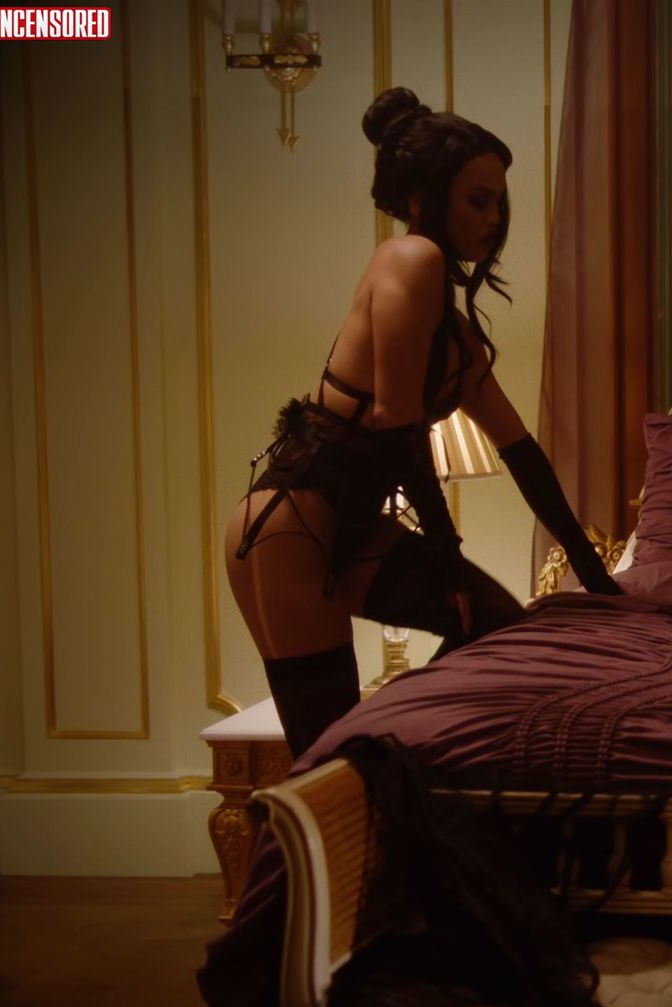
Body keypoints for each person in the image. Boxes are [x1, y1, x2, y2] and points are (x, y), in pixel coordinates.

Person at [225, 87, 618, 757]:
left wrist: (597, 577)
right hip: (292, 528)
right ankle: (372, 780)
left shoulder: (457, 339)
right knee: (327, 763)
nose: (495, 219)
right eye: (477, 201)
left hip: (346, 528)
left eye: (500, 203)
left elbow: (522, 453)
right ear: (420, 201)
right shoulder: (412, 259)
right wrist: (448, 560)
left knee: (496, 622)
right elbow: (395, 422)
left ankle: (403, 759)